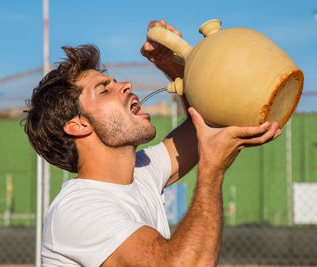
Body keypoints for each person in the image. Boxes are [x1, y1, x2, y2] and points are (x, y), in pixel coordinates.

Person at [24, 19, 281, 266]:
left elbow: (207, 120)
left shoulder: (141, 172)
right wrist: (211, 171)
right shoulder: (78, 211)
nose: (125, 85)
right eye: (104, 90)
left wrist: (170, 63)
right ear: (78, 125)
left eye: (115, 82)